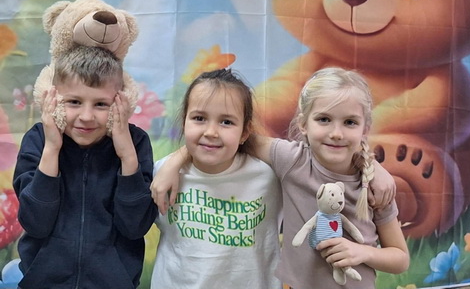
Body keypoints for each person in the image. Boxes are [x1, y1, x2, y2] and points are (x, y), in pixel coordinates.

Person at [153, 67, 408, 289]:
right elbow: (225, 137)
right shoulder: (292, 161)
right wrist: (174, 161)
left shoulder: (375, 187)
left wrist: (362, 252)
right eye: (324, 119)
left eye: (350, 122)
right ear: (304, 123)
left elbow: (401, 258)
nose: (336, 133)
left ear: (365, 128)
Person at [13, 45, 156, 289]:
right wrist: (52, 149)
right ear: (54, 100)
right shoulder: (38, 140)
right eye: (74, 102)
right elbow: (35, 223)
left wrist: (127, 156)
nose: (87, 116)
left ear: (121, 102)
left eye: (101, 104)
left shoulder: (136, 143)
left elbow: (135, 227)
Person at [150, 68, 283, 289]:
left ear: (245, 132)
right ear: (184, 122)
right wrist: (175, 161)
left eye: (226, 122)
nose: (211, 132)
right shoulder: (162, 174)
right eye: (199, 118)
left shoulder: (269, 177)